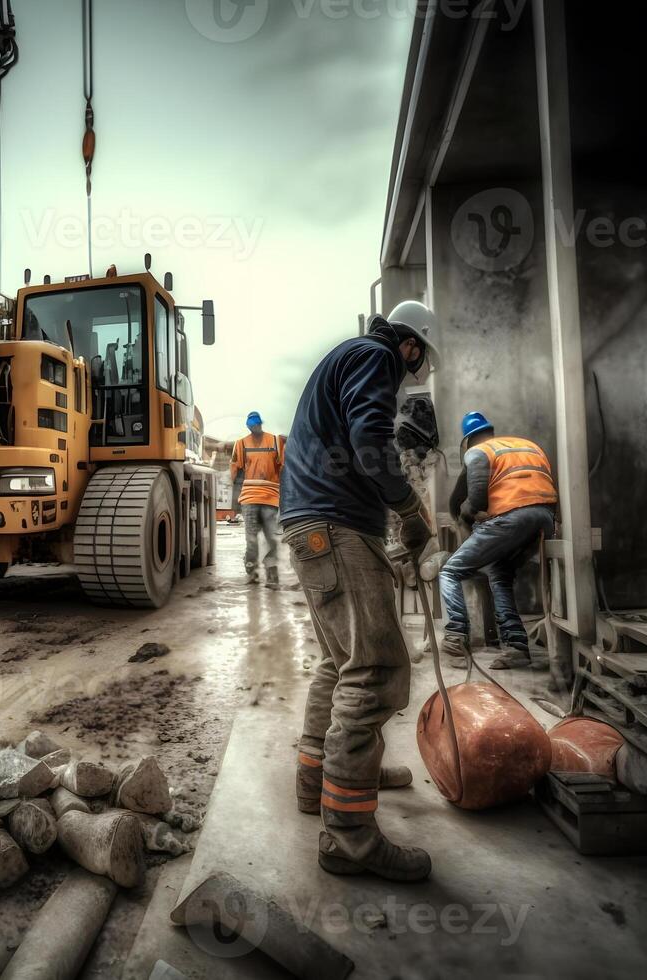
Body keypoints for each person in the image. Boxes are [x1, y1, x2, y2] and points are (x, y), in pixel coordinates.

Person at [277, 300, 439, 882]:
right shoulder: (375, 357)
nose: (413, 375)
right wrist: (408, 509)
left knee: (339, 662)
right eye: (418, 364)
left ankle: (319, 780)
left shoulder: (349, 357)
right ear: (411, 346)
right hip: (336, 525)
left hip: (315, 523)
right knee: (374, 672)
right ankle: (349, 839)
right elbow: (370, 437)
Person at [439, 411, 558, 670]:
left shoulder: (478, 451)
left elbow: (477, 499)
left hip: (512, 518)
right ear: (490, 431)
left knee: (450, 572)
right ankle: (517, 647)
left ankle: (455, 636)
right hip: (546, 518)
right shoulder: (526, 445)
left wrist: (467, 517)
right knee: (499, 572)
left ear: (468, 440)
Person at [230, 412, 286, 587]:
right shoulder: (241, 444)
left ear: (261, 424)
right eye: (252, 426)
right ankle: (252, 572)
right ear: (248, 426)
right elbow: (235, 472)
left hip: (270, 498)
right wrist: (235, 503)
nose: (254, 428)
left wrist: (286, 499)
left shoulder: (275, 442)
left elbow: (284, 470)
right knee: (252, 540)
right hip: (249, 499)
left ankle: (271, 574)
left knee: (271, 538)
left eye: (256, 425)